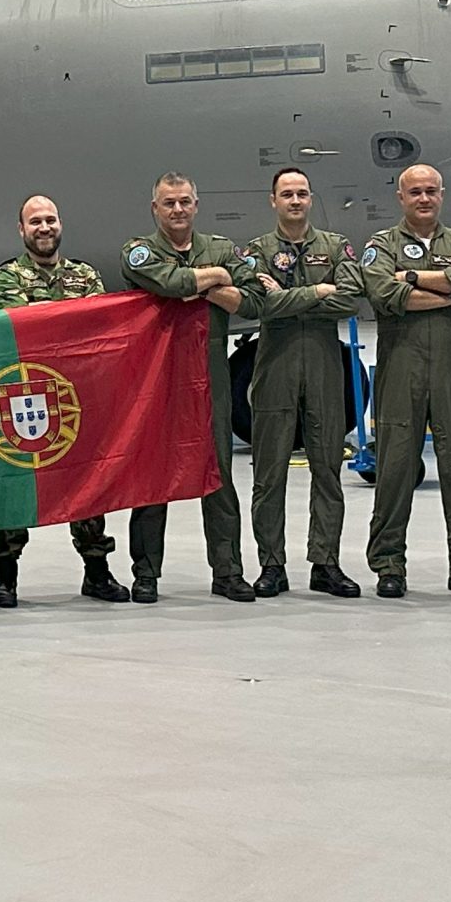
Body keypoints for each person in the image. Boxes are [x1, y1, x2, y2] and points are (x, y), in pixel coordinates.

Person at [359, 164, 451, 599]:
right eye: (414, 192)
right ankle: (388, 565)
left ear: (442, 195)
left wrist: (413, 278)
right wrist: (446, 291)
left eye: (431, 191)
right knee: (394, 469)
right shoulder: (382, 246)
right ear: (400, 197)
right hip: (401, 368)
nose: (423, 198)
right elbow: (383, 293)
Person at [118, 171, 252, 601]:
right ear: (155, 209)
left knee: (218, 475)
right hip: (157, 375)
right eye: (169, 203)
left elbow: (248, 299)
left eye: (185, 202)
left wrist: (200, 284)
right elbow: (169, 284)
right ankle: (146, 574)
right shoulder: (139, 251)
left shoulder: (221, 247)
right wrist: (216, 278)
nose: (178, 209)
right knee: (154, 476)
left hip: (210, 373)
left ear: (196, 204)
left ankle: (228, 571)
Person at [0, 194, 123, 606]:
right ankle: (5, 576)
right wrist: (66, 319)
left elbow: (98, 326)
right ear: (21, 230)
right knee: (14, 483)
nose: (43, 228)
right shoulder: (6, 277)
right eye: (34, 222)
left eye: (49, 220)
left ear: (60, 224)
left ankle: (97, 572)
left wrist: (51, 316)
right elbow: (19, 326)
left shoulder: (86, 275)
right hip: (26, 394)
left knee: (87, 481)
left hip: (77, 397)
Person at [236, 166, 363, 598]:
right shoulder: (256, 250)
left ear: (310, 199)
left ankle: (325, 562)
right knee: (268, 473)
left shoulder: (334, 246)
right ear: (273, 200)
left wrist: (291, 297)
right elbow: (258, 306)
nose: (295, 200)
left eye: (302, 193)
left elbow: (349, 298)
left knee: (328, 469)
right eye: (286, 193)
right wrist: (318, 292)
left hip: (325, 366)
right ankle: (272, 564)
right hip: (275, 367)